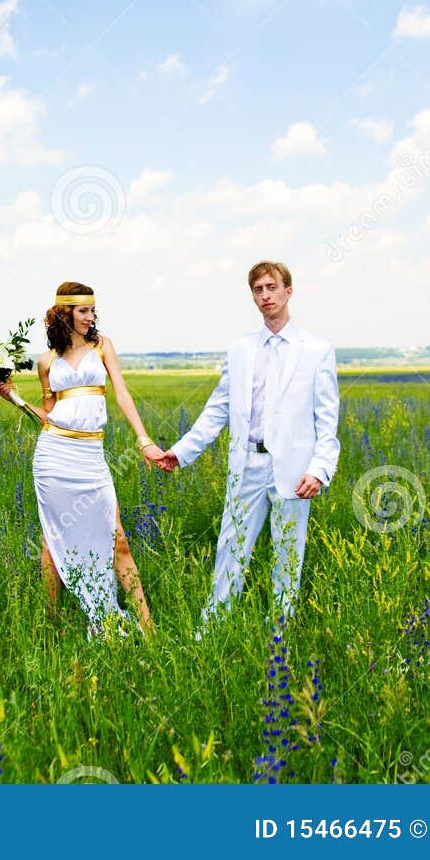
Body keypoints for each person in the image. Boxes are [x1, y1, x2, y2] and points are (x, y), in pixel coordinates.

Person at [155, 261, 340, 629]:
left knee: (288, 554)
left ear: (289, 291)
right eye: (258, 289)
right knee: (230, 547)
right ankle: (213, 628)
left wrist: (318, 470)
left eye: (272, 287)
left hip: (293, 470)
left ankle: (280, 631)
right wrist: (182, 450)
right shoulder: (240, 350)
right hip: (248, 464)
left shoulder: (316, 350)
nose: (265, 295)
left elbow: (327, 421)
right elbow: (217, 408)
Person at [0, 282, 159, 636]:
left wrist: (143, 439)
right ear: (64, 312)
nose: (90, 317)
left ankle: (149, 632)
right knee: (51, 542)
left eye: (92, 311)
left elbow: (122, 393)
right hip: (54, 456)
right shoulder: (46, 361)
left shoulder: (102, 347)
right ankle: (50, 626)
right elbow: (50, 415)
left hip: (91, 456)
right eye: (83, 310)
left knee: (118, 540)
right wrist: (16, 400)